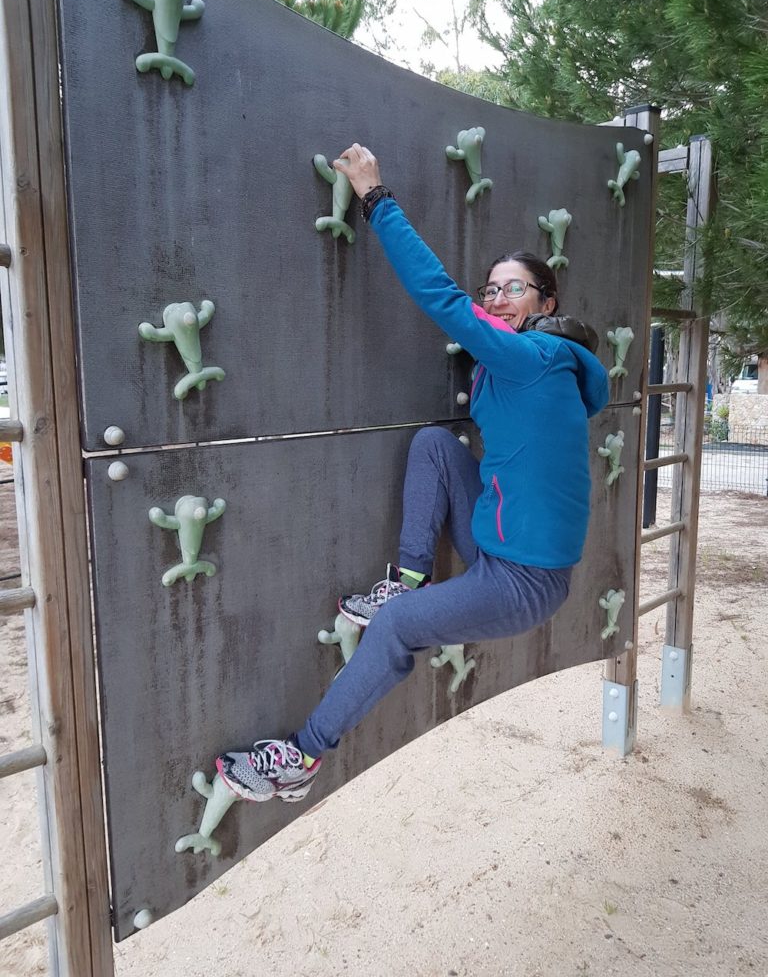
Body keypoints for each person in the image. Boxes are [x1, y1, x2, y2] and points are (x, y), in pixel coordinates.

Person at [215, 144, 609, 803]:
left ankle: (302, 759)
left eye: (514, 288)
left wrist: (374, 194)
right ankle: (409, 580)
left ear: (546, 301)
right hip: (498, 546)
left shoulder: (532, 355)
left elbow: (439, 295)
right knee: (436, 444)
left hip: (523, 580)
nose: (498, 297)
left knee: (394, 632)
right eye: (493, 289)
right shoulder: (531, 363)